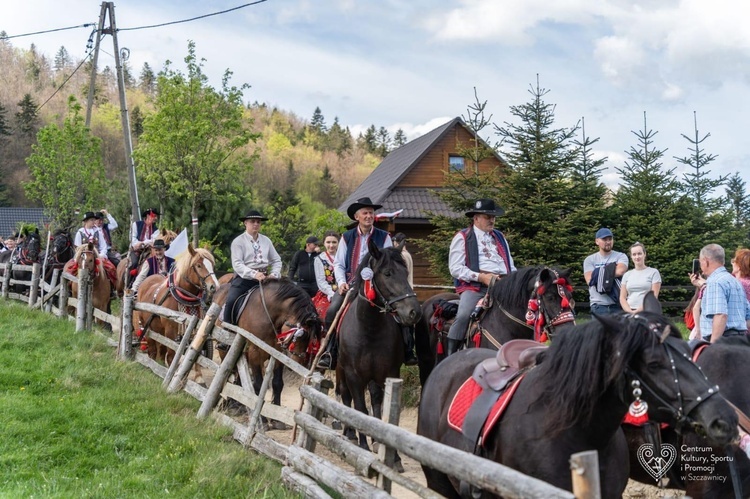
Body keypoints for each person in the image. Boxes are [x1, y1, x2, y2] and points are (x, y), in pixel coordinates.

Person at [318, 197, 394, 369]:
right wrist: (342, 282)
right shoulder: (347, 237)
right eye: (365, 213)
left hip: (379, 286)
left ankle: (406, 349)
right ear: (357, 217)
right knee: (331, 312)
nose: (369, 216)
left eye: (371, 213)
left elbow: (389, 263)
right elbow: (338, 264)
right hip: (352, 284)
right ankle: (331, 351)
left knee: (398, 309)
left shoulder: (385, 237)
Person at [445, 199, 516, 357]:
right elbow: (455, 268)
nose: (491, 220)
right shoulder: (463, 237)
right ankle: (450, 358)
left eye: (493, 217)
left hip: (503, 285)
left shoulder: (499, 237)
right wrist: (481, 277)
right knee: (464, 315)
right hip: (475, 287)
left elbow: (510, 265)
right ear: (476, 218)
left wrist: (514, 280)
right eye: (487, 216)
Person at [223, 210, 282, 325]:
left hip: (266, 280)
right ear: (245, 223)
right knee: (231, 301)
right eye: (252, 221)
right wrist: (254, 274)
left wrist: (274, 274)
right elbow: (237, 264)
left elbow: (276, 260)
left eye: (258, 222)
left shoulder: (266, 241)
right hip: (244, 280)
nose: (256, 224)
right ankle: (227, 329)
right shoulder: (238, 242)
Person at [695, 243, 750, 343]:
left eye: (700, 262)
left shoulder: (715, 282)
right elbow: (748, 315)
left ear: (706, 261)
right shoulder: (735, 281)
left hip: (723, 340)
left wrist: (714, 346)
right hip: (741, 339)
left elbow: (720, 315)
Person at [583, 227, 628, 316]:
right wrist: (611, 268)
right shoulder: (589, 260)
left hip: (617, 306)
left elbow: (620, 271)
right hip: (598, 306)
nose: (608, 242)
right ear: (597, 241)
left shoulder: (621, 256)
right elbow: (590, 280)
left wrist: (597, 273)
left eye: (610, 239)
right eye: (604, 239)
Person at [619, 242, 662, 314]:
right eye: (634, 254)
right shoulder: (627, 275)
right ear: (631, 257)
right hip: (629, 313)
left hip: (648, 311)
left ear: (644, 254)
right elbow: (622, 298)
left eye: (639, 253)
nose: (637, 257)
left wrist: (638, 311)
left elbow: (653, 297)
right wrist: (629, 311)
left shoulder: (654, 272)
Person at [126, 208, 161, 285]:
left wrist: (142, 243)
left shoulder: (156, 230)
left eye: (156, 216)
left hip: (149, 250)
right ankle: (129, 284)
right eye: (154, 216)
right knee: (134, 262)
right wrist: (139, 244)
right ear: (148, 216)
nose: (156, 218)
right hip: (136, 249)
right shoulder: (136, 224)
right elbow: (132, 238)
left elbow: (153, 241)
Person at [312, 231, 340, 318]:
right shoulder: (319, 259)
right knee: (324, 314)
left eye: (334, 242)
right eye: (328, 242)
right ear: (324, 243)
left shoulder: (343, 256)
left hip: (344, 290)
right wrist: (331, 294)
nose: (331, 245)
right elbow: (321, 282)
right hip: (327, 293)